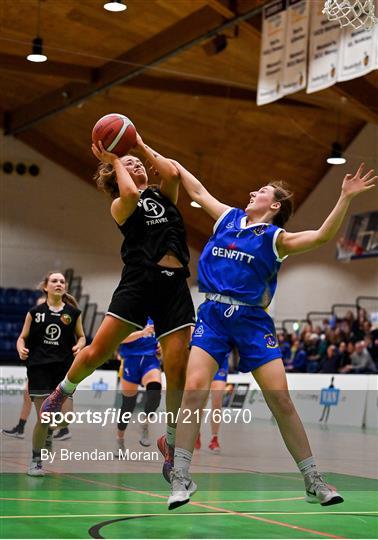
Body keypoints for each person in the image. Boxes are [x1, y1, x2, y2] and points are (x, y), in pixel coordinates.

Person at [166, 161, 376, 510]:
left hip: (252, 321)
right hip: (214, 315)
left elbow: (322, 236)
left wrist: (344, 197)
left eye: (261, 191)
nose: (252, 192)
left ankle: (313, 480)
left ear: (275, 205)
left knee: (281, 400)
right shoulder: (228, 218)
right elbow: (198, 190)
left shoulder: (275, 239)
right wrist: (151, 150)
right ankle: (181, 476)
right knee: (194, 391)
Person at [40, 134, 195, 482]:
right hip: (139, 282)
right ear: (114, 174)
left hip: (174, 286)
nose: (136, 163)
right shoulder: (121, 204)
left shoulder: (161, 194)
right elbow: (127, 193)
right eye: (128, 164)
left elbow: (171, 175)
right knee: (98, 350)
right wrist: (113, 160)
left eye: (137, 163)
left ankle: (169, 442)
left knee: (178, 367)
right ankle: (62, 391)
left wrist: (138, 144)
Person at [16, 271, 85, 476]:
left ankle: (49, 433)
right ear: (46, 287)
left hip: (63, 371)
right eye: (54, 281)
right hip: (39, 370)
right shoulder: (35, 312)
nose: (58, 284)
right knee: (44, 418)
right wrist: (21, 347)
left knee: (66, 419)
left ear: (65, 287)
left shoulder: (73, 313)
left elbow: (81, 337)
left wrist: (80, 346)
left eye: (62, 281)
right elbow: (22, 337)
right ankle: (36, 460)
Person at [115, 318, 162, 455]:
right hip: (130, 360)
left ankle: (145, 423)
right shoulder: (128, 313)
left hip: (150, 360)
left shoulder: (157, 315)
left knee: (155, 392)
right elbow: (120, 338)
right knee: (128, 405)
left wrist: (160, 345)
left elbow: (162, 337)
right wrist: (142, 333)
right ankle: (120, 439)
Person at [194, 352, 229, 453]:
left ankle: (214, 438)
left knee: (217, 401)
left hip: (221, 363)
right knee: (201, 403)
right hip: (204, 361)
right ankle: (196, 433)